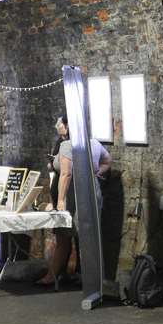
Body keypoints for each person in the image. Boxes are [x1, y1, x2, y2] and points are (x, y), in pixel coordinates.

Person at [39, 115, 111, 288]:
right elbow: (107, 161)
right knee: (90, 236)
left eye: (59, 123)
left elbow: (66, 174)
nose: (57, 126)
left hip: (73, 197)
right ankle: (92, 279)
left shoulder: (67, 145)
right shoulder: (93, 143)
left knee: (67, 236)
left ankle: (79, 280)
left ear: (69, 125)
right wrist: (96, 174)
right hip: (92, 193)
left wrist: (61, 200)